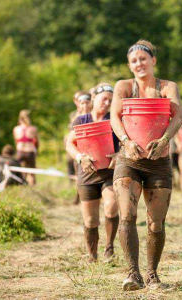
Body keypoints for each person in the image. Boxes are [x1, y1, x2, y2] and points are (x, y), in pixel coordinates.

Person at [110, 40, 182, 290]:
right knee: (128, 214)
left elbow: (178, 116)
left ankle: (152, 274)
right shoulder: (123, 86)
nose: (139, 64)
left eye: (143, 59)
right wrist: (126, 141)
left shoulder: (167, 87)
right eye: (133, 61)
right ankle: (133, 273)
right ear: (129, 65)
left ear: (153, 60)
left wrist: (164, 139)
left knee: (155, 222)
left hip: (158, 162)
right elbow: (114, 117)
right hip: (128, 160)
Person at [66, 83, 119, 263]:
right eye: (104, 99)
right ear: (94, 98)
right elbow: (69, 144)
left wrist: (119, 155)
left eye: (110, 101)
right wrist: (80, 157)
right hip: (87, 175)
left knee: (111, 205)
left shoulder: (114, 119)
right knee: (90, 220)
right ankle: (92, 255)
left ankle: (109, 248)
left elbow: (127, 142)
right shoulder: (81, 120)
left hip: (109, 173)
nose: (106, 103)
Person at [66, 91, 92, 185]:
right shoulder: (74, 116)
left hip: (91, 147)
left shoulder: (94, 114)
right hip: (77, 146)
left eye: (86, 102)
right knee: (78, 171)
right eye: (81, 102)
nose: (84, 105)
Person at [13, 110, 38, 186]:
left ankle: (22, 185)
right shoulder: (33, 128)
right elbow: (36, 142)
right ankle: (32, 186)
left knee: (21, 170)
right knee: (32, 171)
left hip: (20, 151)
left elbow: (16, 142)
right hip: (30, 151)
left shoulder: (16, 129)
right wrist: (36, 150)